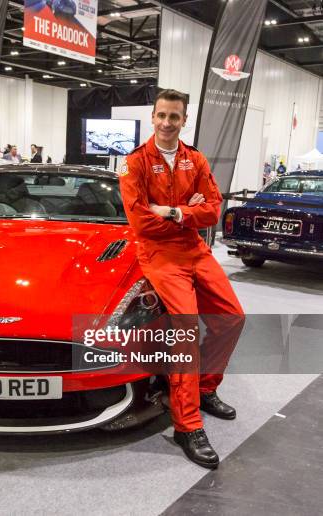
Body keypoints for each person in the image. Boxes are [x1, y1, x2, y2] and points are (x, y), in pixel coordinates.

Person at [119, 88, 244, 469]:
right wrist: (188, 210)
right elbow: (140, 220)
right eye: (162, 116)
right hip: (159, 254)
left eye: (175, 117)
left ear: (184, 120)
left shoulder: (196, 159)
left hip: (193, 248)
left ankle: (205, 388)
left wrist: (176, 213)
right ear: (153, 118)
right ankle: (187, 425)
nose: (168, 123)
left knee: (232, 317)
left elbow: (213, 209)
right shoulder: (134, 162)